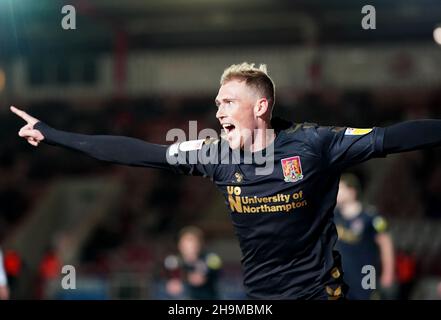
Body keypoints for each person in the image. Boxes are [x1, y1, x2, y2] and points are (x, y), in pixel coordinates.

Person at [10, 62, 441, 299]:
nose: (217, 111)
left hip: (317, 293)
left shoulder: (316, 144)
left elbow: (391, 138)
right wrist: (54, 134)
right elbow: (140, 153)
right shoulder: (214, 154)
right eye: (216, 102)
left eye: (228, 101)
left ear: (261, 107)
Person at [334, 173, 395, 300]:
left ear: (352, 191)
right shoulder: (334, 216)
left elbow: (386, 243)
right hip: (343, 274)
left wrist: (388, 273)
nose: (336, 192)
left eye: (340, 188)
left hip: (367, 272)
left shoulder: (371, 217)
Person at [164, 226, 222, 300]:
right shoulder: (173, 261)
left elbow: (199, 279)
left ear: (200, 244)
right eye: (186, 243)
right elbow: (170, 283)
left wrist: (185, 278)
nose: (189, 246)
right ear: (179, 245)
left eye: (192, 242)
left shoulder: (210, 259)